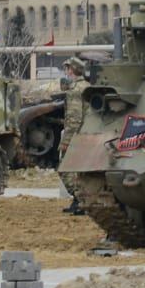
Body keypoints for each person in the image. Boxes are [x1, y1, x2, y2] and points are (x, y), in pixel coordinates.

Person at [57, 56, 88, 214]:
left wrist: (66, 141)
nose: (66, 72)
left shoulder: (75, 90)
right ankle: (79, 201)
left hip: (76, 136)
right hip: (85, 135)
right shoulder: (86, 86)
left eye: (68, 69)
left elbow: (74, 118)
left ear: (73, 70)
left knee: (65, 169)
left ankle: (80, 199)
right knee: (78, 171)